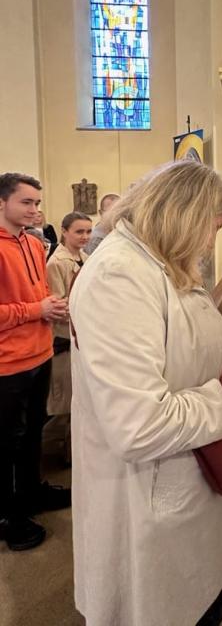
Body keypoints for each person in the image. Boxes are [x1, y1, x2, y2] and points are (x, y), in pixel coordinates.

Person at [69, 160, 222, 626]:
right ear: (184, 216)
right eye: (212, 228)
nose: (210, 243)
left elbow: (185, 353)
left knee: (199, 603)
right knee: (166, 609)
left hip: (188, 476)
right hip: (146, 495)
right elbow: (138, 426)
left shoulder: (159, 264)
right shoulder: (119, 276)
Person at [0, 173, 70, 552]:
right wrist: (36, 309)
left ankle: (31, 493)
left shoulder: (32, 242)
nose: (34, 209)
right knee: (7, 444)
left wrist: (52, 306)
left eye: (37, 203)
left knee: (32, 435)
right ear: (2, 203)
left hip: (40, 353)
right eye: (26, 202)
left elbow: (37, 292)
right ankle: (9, 517)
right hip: (7, 363)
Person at [46, 212, 92, 420]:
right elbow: (57, 305)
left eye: (89, 231)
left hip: (83, 335)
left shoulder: (87, 258)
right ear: (64, 232)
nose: (85, 236)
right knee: (63, 399)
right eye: (79, 232)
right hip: (63, 336)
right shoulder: (57, 262)